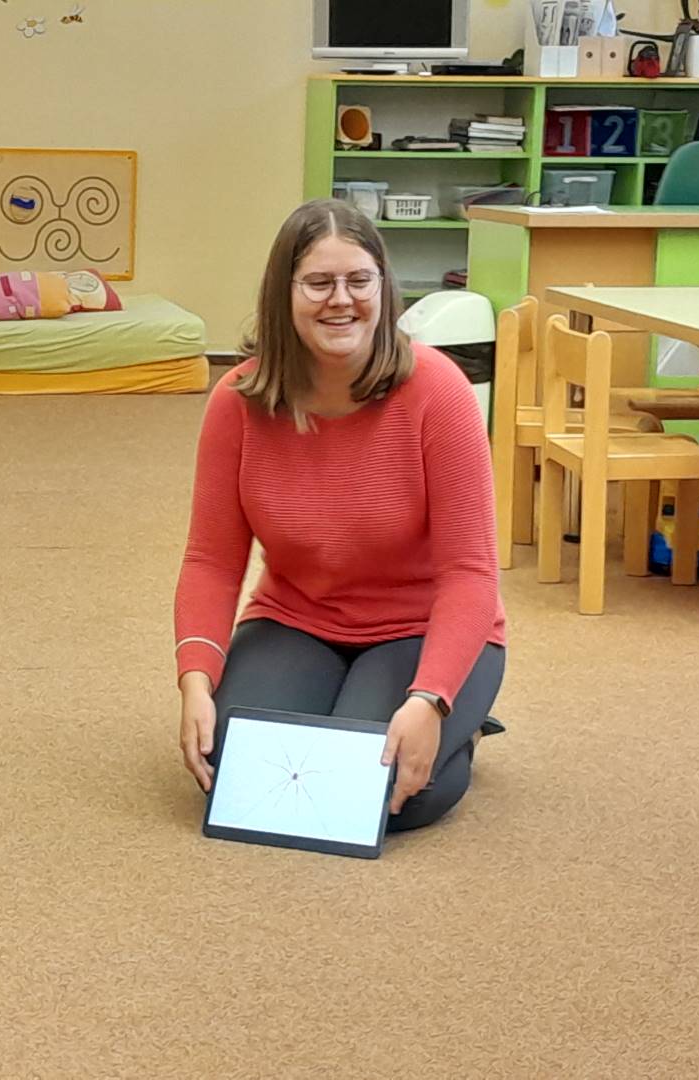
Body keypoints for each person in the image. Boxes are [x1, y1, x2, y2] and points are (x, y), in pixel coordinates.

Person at [174, 199, 506, 832]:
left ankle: (461, 724)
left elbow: (470, 571)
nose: (341, 300)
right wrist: (195, 677)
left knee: (376, 797)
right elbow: (212, 560)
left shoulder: (439, 391)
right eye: (319, 283)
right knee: (238, 777)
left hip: (420, 626)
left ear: (384, 285)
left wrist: (431, 698)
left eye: (359, 280)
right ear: (284, 292)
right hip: (297, 620)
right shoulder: (237, 401)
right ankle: (362, 711)